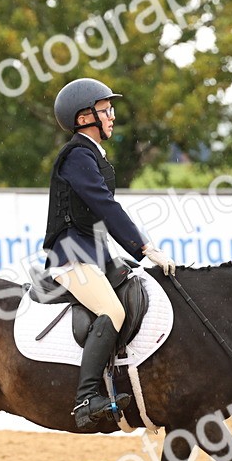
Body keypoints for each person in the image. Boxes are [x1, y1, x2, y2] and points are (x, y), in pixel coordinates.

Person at [42, 77, 176, 429]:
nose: (112, 116)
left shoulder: (93, 155)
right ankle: (86, 397)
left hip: (93, 252)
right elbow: (104, 205)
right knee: (112, 310)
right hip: (70, 255)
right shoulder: (76, 156)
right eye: (106, 110)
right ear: (85, 118)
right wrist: (145, 246)